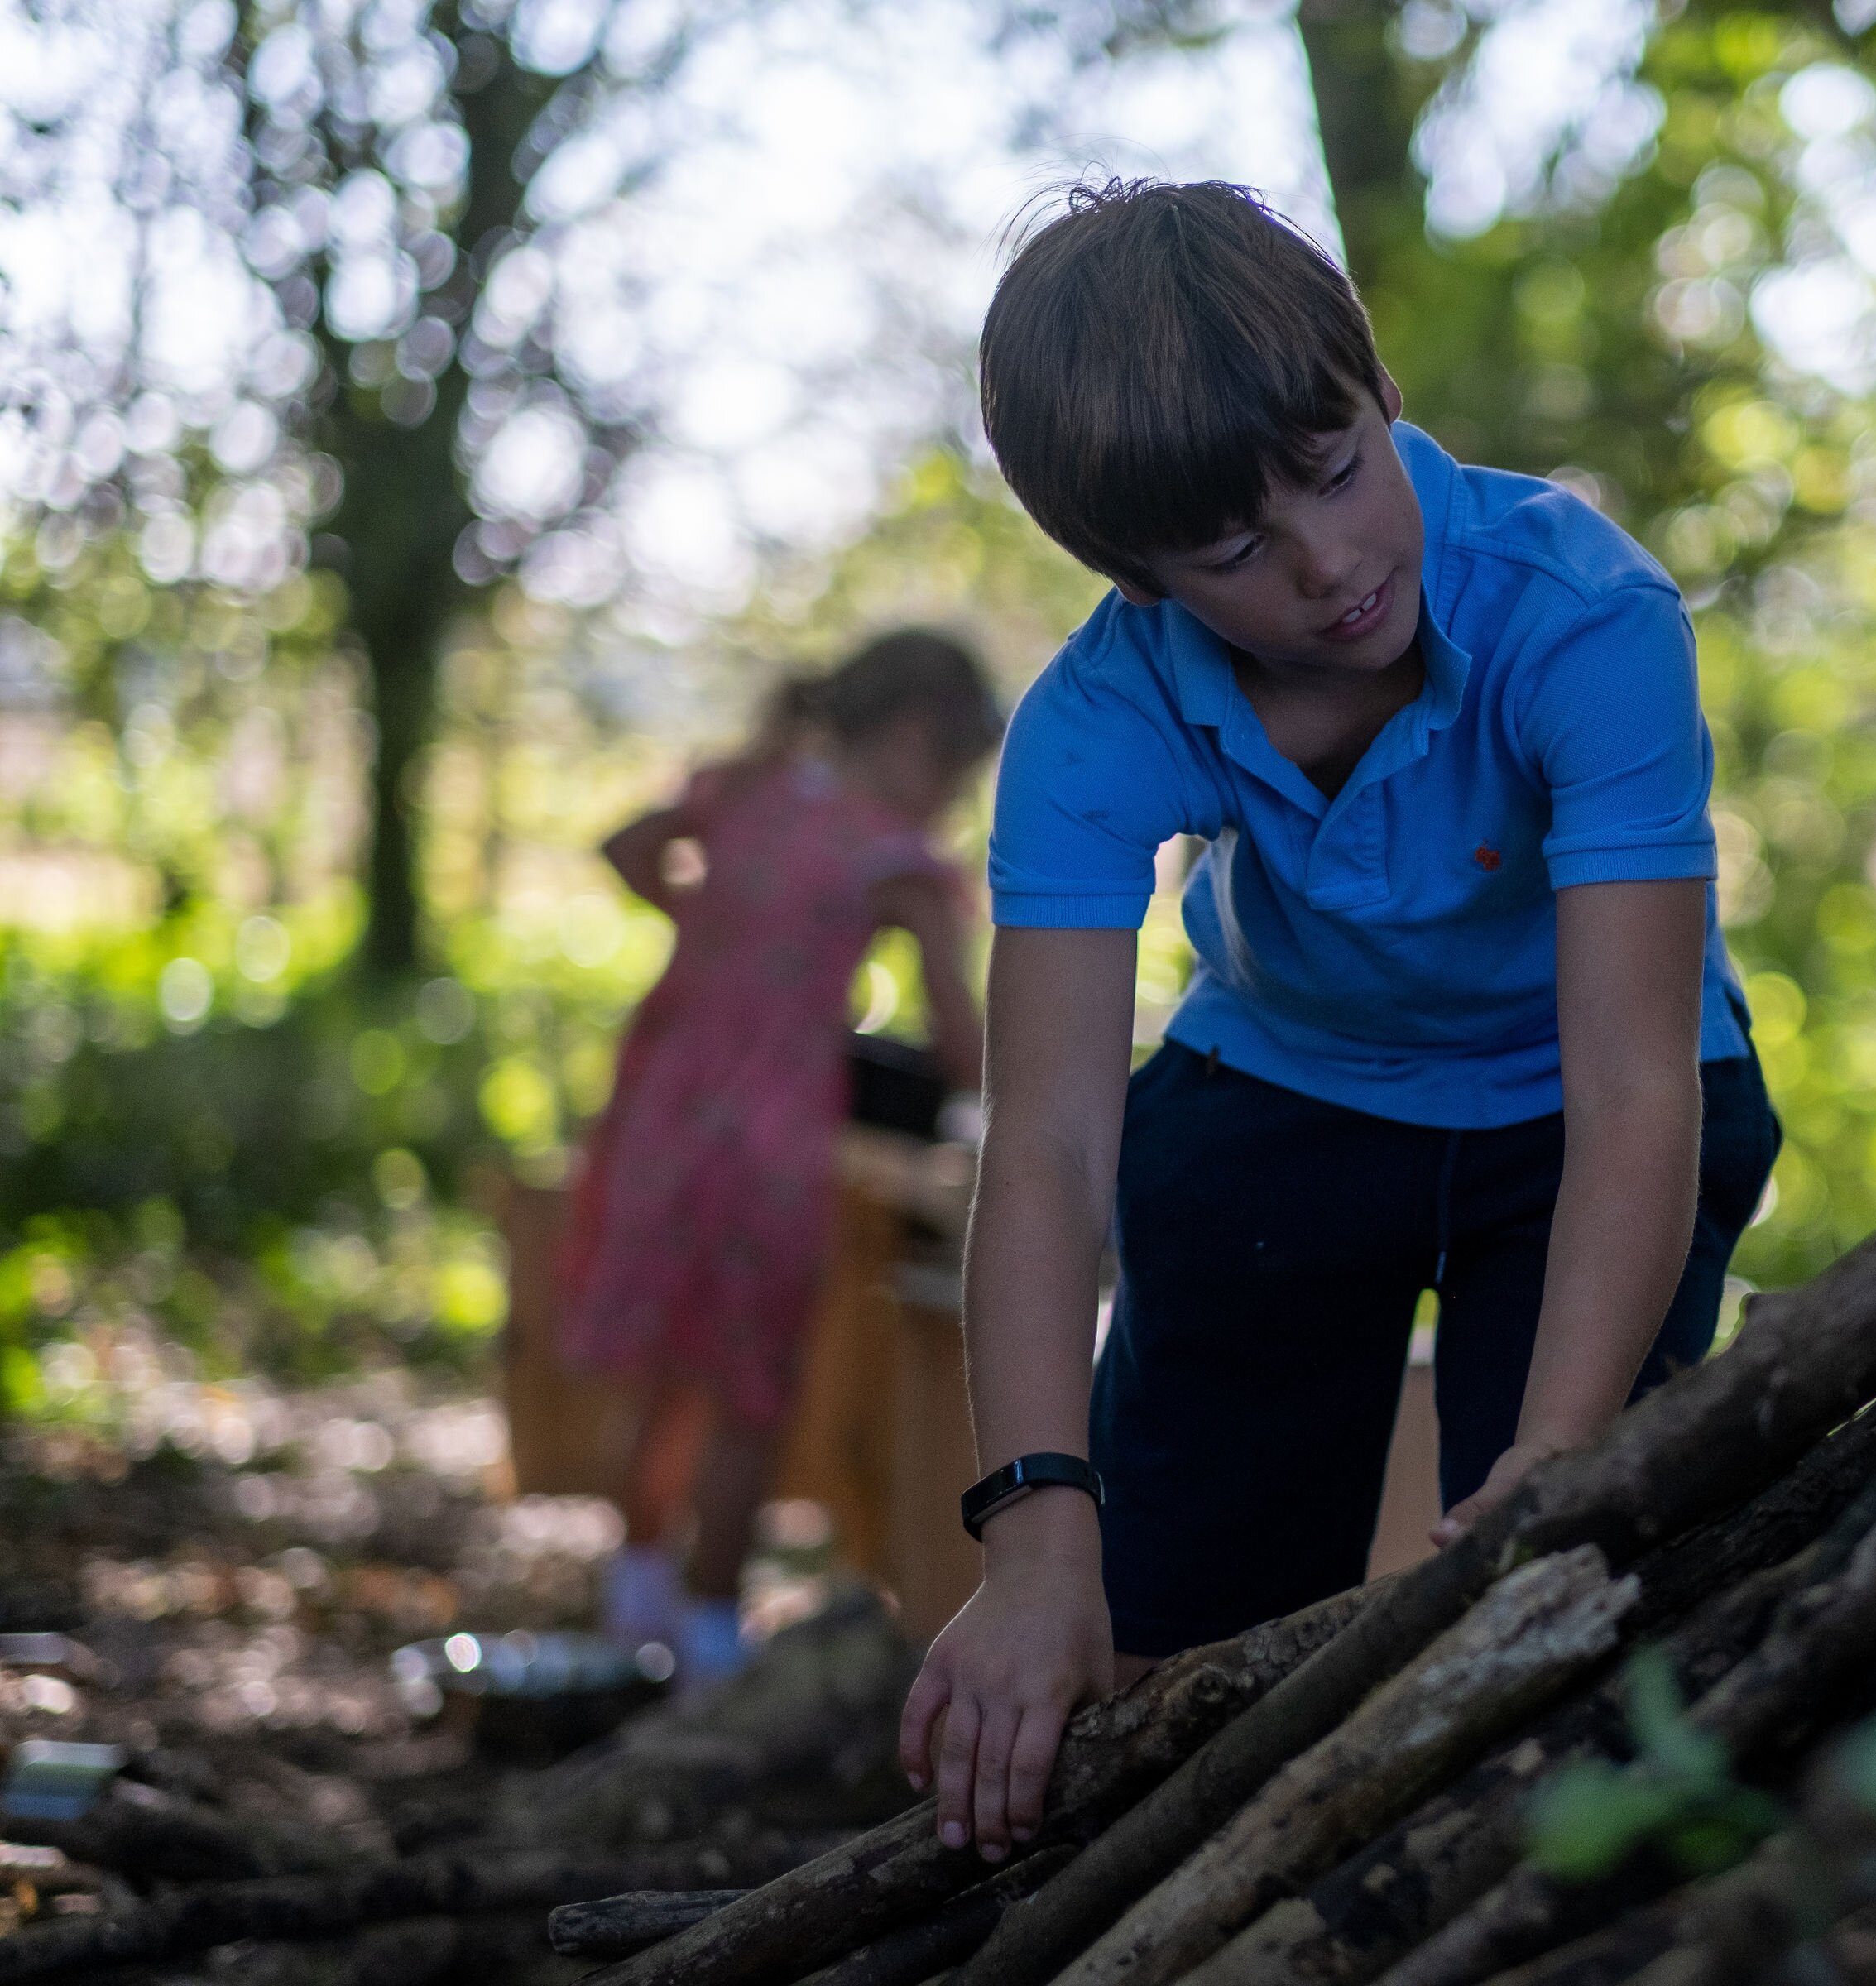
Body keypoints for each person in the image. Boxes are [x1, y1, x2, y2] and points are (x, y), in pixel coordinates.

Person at [896, 180, 1780, 1853]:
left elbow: (1634, 1086)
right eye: (1235, 553)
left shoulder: (1580, 616)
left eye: (1333, 473)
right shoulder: (1098, 716)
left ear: (1377, 393)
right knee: (1165, 1620)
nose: (1330, 564)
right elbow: (1057, 1144)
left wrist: (1561, 1456)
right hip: (1287, 1088)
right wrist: (1032, 1538)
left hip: (1593, 1099)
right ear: (1136, 578)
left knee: (1563, 1598)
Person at [563, 629, 1001, 1685]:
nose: (951, 800)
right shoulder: (893, 861)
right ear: (911, 737)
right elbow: (959, 1037)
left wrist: (714, 929)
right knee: (745, 1387)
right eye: (956, 773)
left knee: (669, 1364)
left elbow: (623, 847)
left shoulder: (748, 792)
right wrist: (1004, 1115)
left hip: (660, 1111)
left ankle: (638, 1599)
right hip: (769, 1137)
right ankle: (713, 1637)